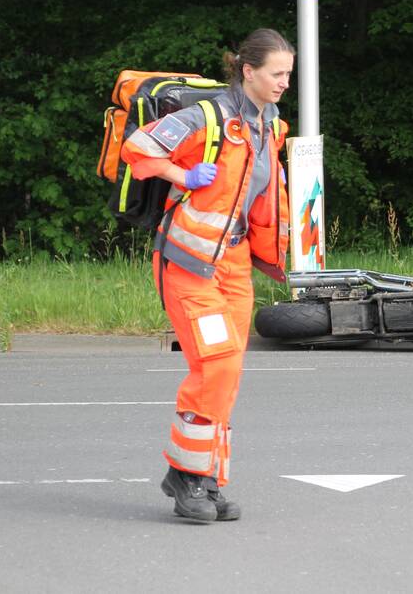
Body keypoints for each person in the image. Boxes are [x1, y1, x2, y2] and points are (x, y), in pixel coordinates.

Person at [119, 28, 295, 522]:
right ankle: (186, 476)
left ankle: (207, 478)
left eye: (288, 74)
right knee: (215, 365)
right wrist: (183, 175)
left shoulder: (271, 126)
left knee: (228, 372)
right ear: (248, 71)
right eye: (276, 73)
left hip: (235, 266)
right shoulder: (208, 117)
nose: (284, 82)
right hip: (190, 264)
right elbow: (137, 148)